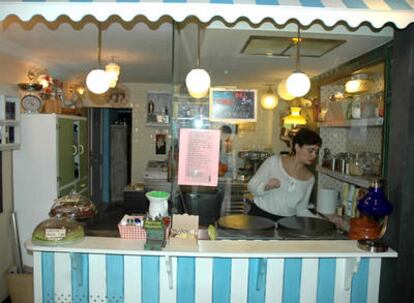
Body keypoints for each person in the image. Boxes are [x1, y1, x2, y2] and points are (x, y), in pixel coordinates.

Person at [247, 128, 322, 221]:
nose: (314, 155)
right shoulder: (274, 162)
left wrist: (321, 220)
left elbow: (301, 209)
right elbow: (251, 186)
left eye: (316, 152)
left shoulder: (310, 178)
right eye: (310, 151)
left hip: (287, 223)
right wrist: (266, 187)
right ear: (297, 147)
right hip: (260, 217)